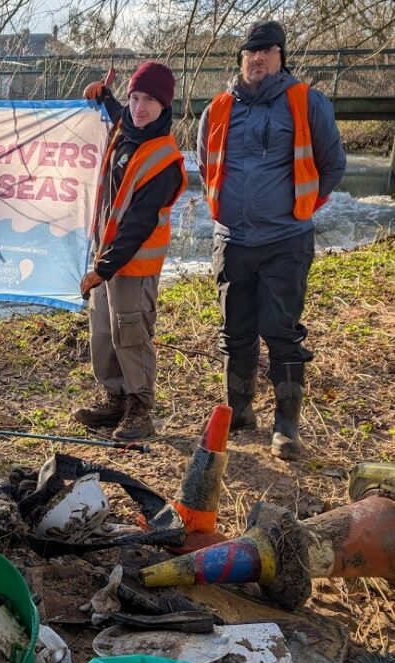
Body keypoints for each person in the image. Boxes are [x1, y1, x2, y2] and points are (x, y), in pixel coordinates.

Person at [198, 21, 346, 459]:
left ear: (281, 57)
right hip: (233, 241)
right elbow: (207, 164)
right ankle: (240, 412)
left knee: (281, 333)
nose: (257, 58)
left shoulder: (306, 102)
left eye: (267, 51)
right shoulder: (219, 108)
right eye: (250, 52)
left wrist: (299, 210)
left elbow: (332, 164)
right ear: (241, 58)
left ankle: (285, 429)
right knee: (235, 332)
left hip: (286, 241)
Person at [73, 62, 187, 441]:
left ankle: (140, 409)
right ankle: (115, 399)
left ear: (164, 105)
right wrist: (103, 96)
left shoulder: (164, 160)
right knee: (103, 331)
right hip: (108, 259)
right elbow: (120, 112)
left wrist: (102, 268)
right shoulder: (128, 128)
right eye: (135, 98)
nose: (139, 107)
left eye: (149, 100)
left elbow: (137, 226)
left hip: (132, 265)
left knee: (131, 333)